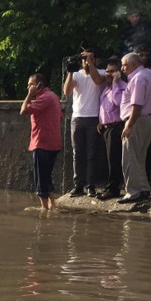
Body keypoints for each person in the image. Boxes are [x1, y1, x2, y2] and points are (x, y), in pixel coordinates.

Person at [118, 52, 151, 203]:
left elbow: (137, 105)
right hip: (149, 118)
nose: (122, 69)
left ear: (134, 64)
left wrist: (129, 125)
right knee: (139, 157)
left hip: (137, 120)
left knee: (130, 158)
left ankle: (133, 192)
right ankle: (143, 189)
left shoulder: (138, 78)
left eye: (124, 65)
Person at [63, 49, 105, 197]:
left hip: (94, 117)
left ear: (95, 60)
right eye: (84, 59)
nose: (86, 61)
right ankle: (78, 185)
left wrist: (90, 63)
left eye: (89, 58)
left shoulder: (101, 72)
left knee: (92, 153)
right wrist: (70, 71)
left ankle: (90, 185)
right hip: (78, 118)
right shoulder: (76, 75)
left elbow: (98, 81)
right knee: (77, 153)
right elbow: (67, 91)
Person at [20, 73, 63, 210]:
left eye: (31, 84)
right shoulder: (53, 96)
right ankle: (52, 204)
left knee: (40, 177)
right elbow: (60, 118)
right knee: (45, 175)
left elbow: (23, 110)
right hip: (52, 143)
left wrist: (29, 95)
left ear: (39, 85)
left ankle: (44, 208)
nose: (28, 87)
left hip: (42, 143)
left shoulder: (45, 98)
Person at [96, 59, 127, 200]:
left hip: (116, 127)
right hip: (106, 127)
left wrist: (115, 83)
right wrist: (101, 122)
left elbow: (118, 102)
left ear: (119, 73)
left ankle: (113, 189)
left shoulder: (122, 87)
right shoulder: (106, 88)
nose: (109, 74)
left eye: (113, 71)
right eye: (107, 71)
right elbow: (104, 107)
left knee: (114, 160)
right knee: (109, 160)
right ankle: (109, 187)